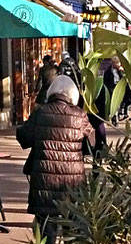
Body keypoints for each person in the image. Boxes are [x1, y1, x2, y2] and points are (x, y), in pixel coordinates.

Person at [16, 73, 100, 229]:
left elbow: (23, 138)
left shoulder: (40, 113)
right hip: (72, 183)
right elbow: (92, 144)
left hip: (44, 181)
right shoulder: (80, 116)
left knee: (46, 232)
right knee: (73, 232)